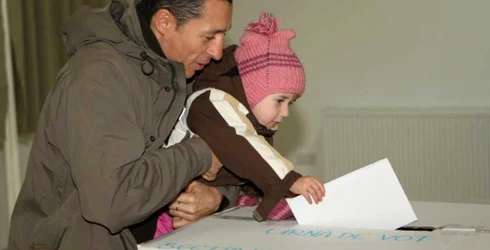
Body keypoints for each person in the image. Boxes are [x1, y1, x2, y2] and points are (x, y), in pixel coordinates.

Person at [8, 0, 236, 249]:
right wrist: (201, 152)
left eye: (223, 34)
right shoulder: (96, 77)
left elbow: (249, 158)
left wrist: (217, 196)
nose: (217, 51)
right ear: (164, 23)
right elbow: (114, 200)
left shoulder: (189, 68)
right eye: (209, 36)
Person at [156, 13, 325, 237]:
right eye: (280, 101)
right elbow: (245, 143)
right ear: (252, 91)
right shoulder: (212, 101)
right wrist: (290, 181)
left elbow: (247, 166)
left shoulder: (251, 123)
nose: (285, 113)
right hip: (165, 217)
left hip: (193, 215)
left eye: (290, 104)